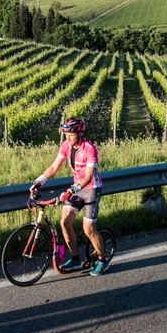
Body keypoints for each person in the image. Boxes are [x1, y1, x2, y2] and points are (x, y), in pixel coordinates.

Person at [30, 117, 110, 276]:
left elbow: (88, 177)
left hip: (91, 189)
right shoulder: (66, 146)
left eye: (71, 134)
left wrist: (71, 190)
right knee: (65, 221)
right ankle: (74, 258)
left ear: (80, 133)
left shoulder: (89, 149)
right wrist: (38, 182)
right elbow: (54, 167)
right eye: (66, 133)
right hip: (77, 189)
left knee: (88, 229)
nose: (67, 137)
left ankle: (102, 260)